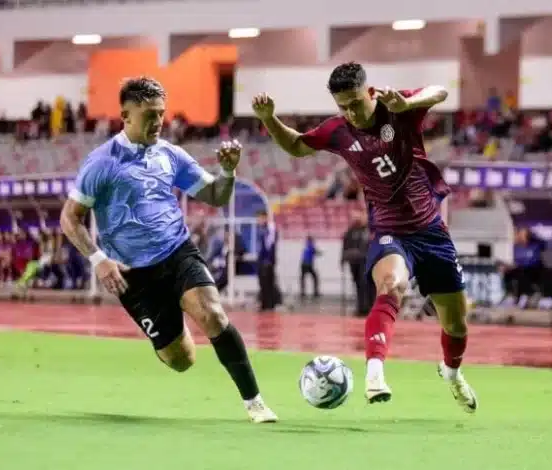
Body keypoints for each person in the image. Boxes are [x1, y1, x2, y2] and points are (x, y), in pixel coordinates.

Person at [252, 62, 477, 412]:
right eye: (343, 106)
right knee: (391, 285)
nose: (351, 112)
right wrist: (269, 119)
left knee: (457, 323)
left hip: (432, 232)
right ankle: (375, 374)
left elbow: (440, 92)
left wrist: (410, 104)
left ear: (369, 92)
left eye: (355, 103)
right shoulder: (338, 131)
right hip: (390, 231)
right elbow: (297, 146)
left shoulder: (396, 108)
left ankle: (451, 373)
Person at [60, 76, 277, 423]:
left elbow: (215, 195)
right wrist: (99, 260)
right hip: (133, 275)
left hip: (177, 253)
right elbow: (70, 219)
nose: (158, 122)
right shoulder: (101, 163)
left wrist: (228, 170)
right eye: (149, 115)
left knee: (214, 315)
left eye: (161, 113)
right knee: (181, 360)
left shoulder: (170, 155)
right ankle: (171, 330)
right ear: (126, 116)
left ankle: (255, 403)